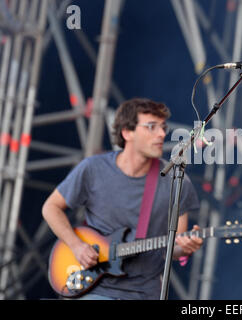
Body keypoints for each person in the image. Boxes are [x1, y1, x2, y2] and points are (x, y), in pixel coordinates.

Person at [42, 98, 203, 300]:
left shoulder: (177, 181)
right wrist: (76, 245)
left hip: (145, 293)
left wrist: (187, 246)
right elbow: (51, 207)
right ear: (127, 133)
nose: (162, 134)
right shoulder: (93, 169)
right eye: (151, 127)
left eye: (163, 127)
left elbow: (176, 247)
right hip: (95, 290)